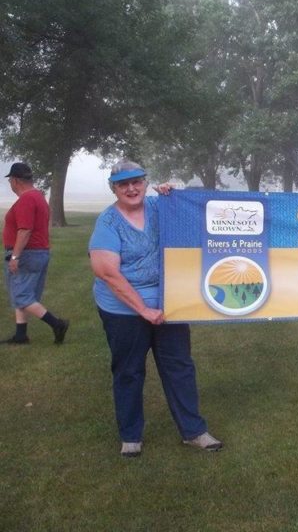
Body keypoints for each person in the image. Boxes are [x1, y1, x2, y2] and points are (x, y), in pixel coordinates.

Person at [88, 160, 222, 457]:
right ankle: (131, 436)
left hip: (168, 304)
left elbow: (194, 218)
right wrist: (143, 309)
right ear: (114, 189)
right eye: (123, 184)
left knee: (179, 367)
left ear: (146, 182)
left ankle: (194, 431)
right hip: (123, 309)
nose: (131, 188)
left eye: (137, 181)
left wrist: (177, 196)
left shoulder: (161, 207)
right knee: (129, 371)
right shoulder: (108, 222)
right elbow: (106, 271)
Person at [2, 162, 69, 345]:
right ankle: (21, 335)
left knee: (21, 296)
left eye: (10, 181)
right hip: (38, 252)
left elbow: (24, 230)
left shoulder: (26, 199)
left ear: (15, 181)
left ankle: (57, 324)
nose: (10, 185)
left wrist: (15, 256)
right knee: (22, 293)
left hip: (27, 254)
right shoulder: (38, 196)